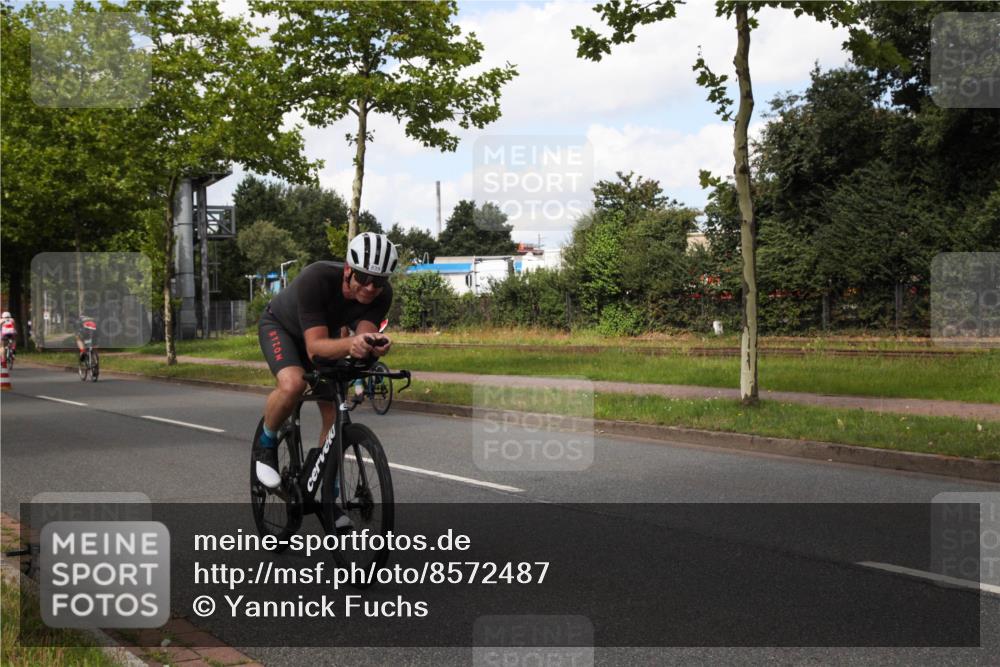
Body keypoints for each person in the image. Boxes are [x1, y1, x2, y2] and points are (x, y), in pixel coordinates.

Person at [255, 232, 398, 502]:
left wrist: (373, 346)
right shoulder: (316, 279)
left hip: (323, 336)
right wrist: (351, 343)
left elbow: (362, 339)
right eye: (364, 278)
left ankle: (328, 492)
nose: (370, 288)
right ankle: (266, 442)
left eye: (378, 281)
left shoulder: (382, 295)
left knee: (334, 408)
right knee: (293, 383)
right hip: (282, 328)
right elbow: (315, 347)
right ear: (347, 271)